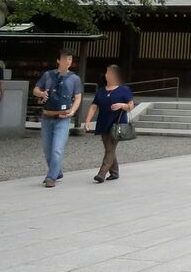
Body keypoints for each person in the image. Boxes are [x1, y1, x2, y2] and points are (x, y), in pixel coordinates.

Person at [32, 49, 82, 187]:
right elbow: (35, 89)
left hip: (63, 117)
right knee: (48, 149)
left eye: (70, 59)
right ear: (58, 60)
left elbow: (78, 97)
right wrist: (41, 94)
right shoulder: (48, 75)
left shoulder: (74, 78)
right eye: (65, 58)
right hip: (47, 116)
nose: (68, 62)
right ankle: (57, 171)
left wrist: (73, 111)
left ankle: (51, 177)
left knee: (57, 148)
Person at [83, 64, 133, 183]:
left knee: (110, 149)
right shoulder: (100, 91)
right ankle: (114, 172)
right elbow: (94, 107)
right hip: (103, 122)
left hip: (117, 124)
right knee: (109, 148)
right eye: (107, 72)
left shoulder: (124, 90)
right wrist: (87, 121)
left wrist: (122, 105)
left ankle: (101, 173)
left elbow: (131, 105)